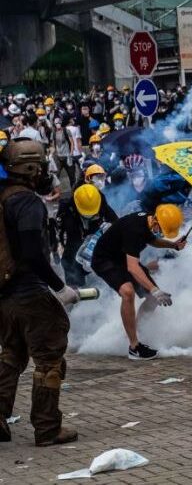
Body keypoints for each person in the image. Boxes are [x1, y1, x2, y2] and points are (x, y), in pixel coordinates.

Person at [0, 139, 79, 446]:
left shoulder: (3, 198)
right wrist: (60, 288)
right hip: (30, 293)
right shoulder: (27, 202)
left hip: (4, 295)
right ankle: (47, 428)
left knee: (11, 355)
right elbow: (33, 252)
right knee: (49, 360)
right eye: (43, 166)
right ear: (31, 168)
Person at [90, 204, 187, 360]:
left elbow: (152, 240)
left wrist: (173, 245)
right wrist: (155, 290)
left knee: (152, 298)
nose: (162, 233)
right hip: (105, 260)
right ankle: (134, 347)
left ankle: (133, 331)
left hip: (122, 257)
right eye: (161, 229)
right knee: (128, 293)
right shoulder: (134, 230)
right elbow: (133, 267)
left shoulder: (149, 220)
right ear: (155, 221)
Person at [56, 184, 118, 286]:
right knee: (71, 260)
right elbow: (66, 239)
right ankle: (76, 287)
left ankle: (105, 281)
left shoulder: (99, 200)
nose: (90, 215)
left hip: (95, 231)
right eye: (87, 213)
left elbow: (115, 221)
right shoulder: (66, 210)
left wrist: (110, 228)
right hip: (75, 235)